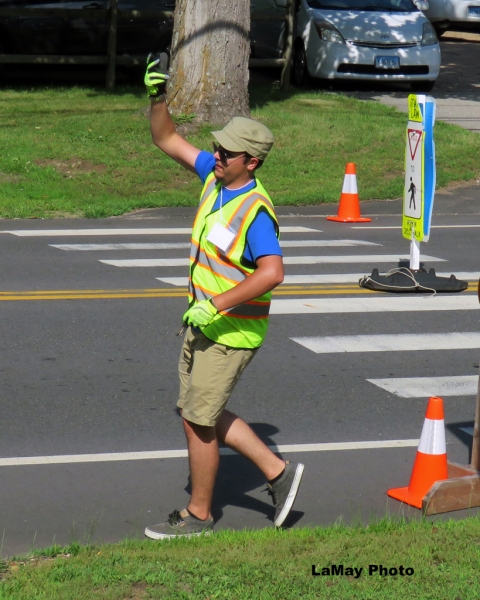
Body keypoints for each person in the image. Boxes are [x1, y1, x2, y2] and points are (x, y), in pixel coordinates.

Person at [143, 55, 304, 540]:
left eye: (227, 153)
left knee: (197, 416)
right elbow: (166, 138)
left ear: (251, 162)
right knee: (194, 411)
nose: (216, 154)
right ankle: (277, 472)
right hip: (204, 323)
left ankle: (199, 516)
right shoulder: (214, 179)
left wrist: (217, 303)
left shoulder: (256, 212)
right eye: (216, 146)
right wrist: (158, 97)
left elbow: (273, 271)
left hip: (231, 329)